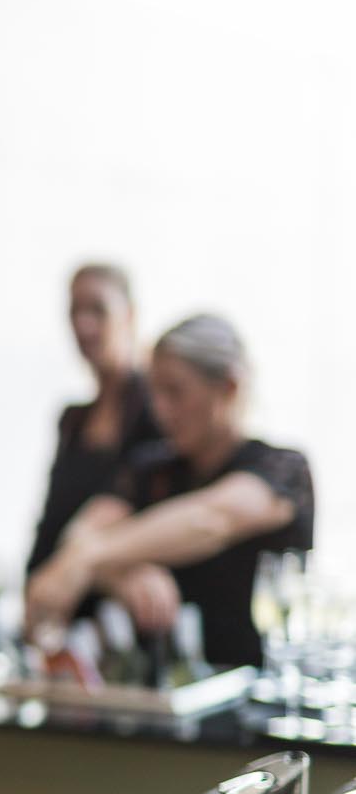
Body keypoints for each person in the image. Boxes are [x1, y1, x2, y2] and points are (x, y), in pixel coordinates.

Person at [25, 313, 314, 669]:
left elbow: (210, 520)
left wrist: (93, 557)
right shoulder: (149, 468)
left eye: (175, 391)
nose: (160, 409)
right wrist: (122, 574)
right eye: (155, 392)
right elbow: (83, 533)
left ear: (229, 387)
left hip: (264, 687)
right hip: (168, 692)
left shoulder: (283, 469)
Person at [26, 262, 160, 577]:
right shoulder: (72, 420)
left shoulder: (155, 410)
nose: (83, 325)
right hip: (55, 590)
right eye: (75, 311)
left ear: (129, 315)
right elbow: (50, 525)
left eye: (98, 310)